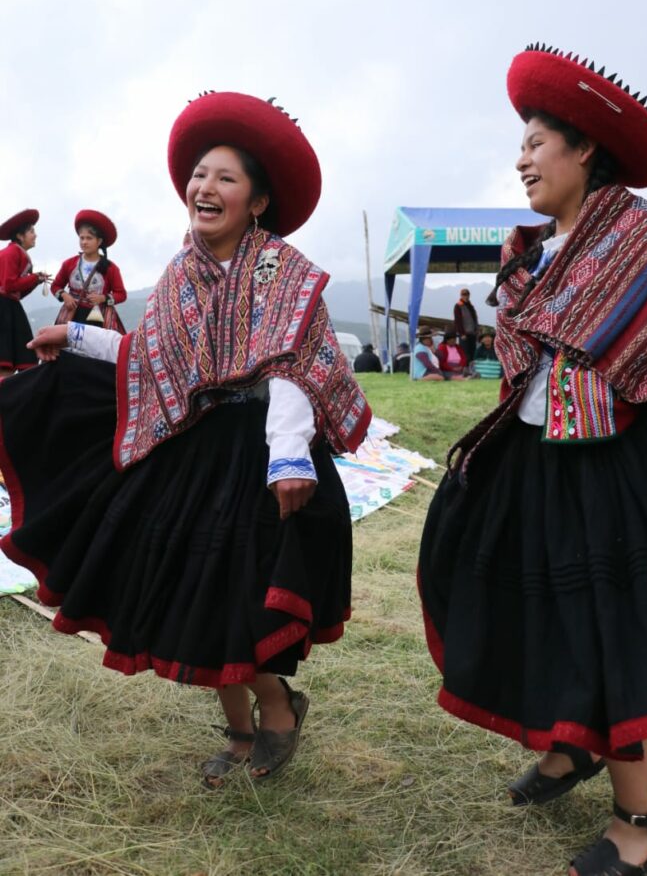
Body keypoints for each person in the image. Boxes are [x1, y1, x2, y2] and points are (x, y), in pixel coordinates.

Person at [0, 91, 371, 785]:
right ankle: (237, 731)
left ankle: (277, 708)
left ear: (256, 201)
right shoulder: (183, 271)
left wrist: (289, 457)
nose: (205, 188)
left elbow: (286, 364)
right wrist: (73, 334)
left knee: (238, 592)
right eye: (200, 175)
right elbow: (153, 354)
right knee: (188, 590)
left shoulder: (279, 272)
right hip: (195, 447)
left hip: (262, 449)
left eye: (225, 178)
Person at [418, 44, 647, 875]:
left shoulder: (642, 242)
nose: (521, 158)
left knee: (602, 626)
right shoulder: (526, 257)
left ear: (584, 150)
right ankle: (569, 749)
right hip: (531, 456)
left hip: (608, 467)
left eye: (537, 142)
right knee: (522, 602)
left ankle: (641, 822)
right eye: (520, 144)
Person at [52, 211, 127, 332]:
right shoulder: (69, 264)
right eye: (81, 238)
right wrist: (65, 295)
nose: (84, 242)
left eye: (89, 238)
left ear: (99, 241)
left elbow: (122, 294)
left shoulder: (110, 268)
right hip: (72, 315)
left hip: (98, 319)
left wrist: (103, 298)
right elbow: (55, 286)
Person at [0, 210, 51, 378]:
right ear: (20, 236)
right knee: (5, 357)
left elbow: (18, 293)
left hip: (11, 305)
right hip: (3, 307)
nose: (35, 236)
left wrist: (35, 281)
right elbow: (9, 285)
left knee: (16, 356)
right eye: (31, 232)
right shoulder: (11, 253)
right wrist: (34, 277)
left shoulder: (20, 254)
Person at [453, 288, 478, 363]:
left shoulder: (471, 306)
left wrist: (476, 329)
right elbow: (458, 321)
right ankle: (465, 370)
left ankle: (472, 370)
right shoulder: (458, 306)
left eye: (467, 295)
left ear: (469, 295)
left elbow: (474, 319)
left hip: (472, 333)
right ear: (461, 296)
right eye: (464, 295)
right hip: (464, 335)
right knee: (465, 353)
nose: (466, 296)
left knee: (473, 352)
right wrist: (462, 333)